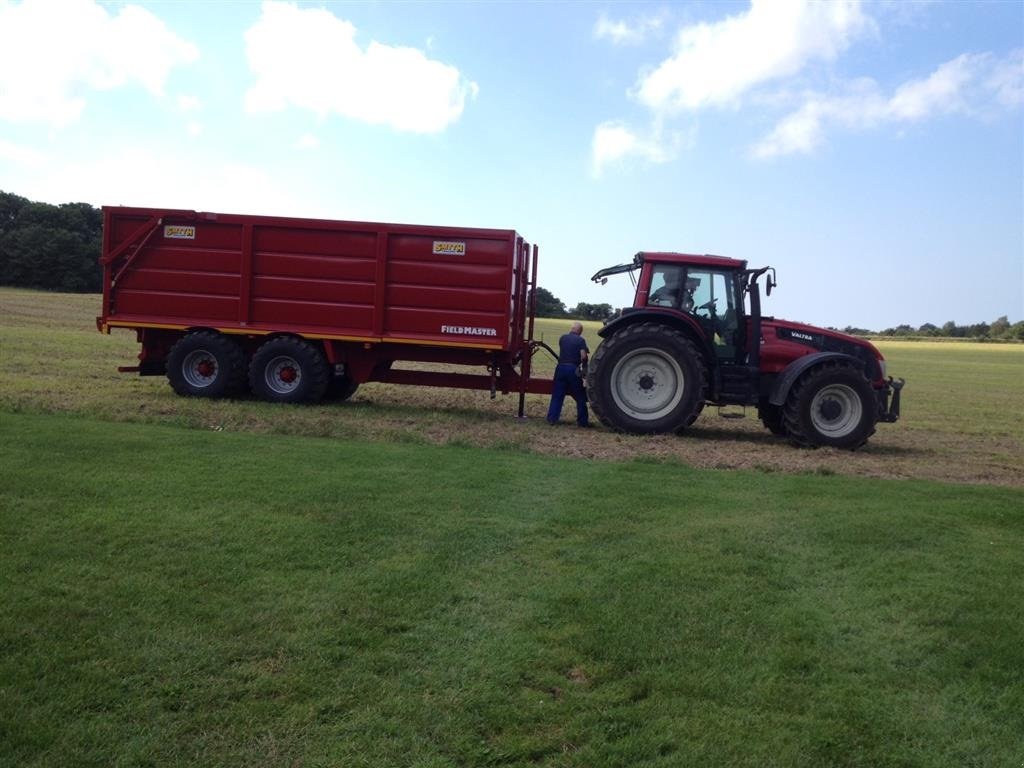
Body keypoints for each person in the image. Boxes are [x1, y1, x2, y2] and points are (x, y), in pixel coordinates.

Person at [547, 321, 590, 427]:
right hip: (572, 370)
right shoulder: (581, 340)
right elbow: (583, 356)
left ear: (571, 329)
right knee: (580, 396)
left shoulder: (562, 338)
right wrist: (584, 365)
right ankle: (583, 422)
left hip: (560, 368)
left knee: (557, 395)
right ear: (580, 331)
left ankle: (552, 419)